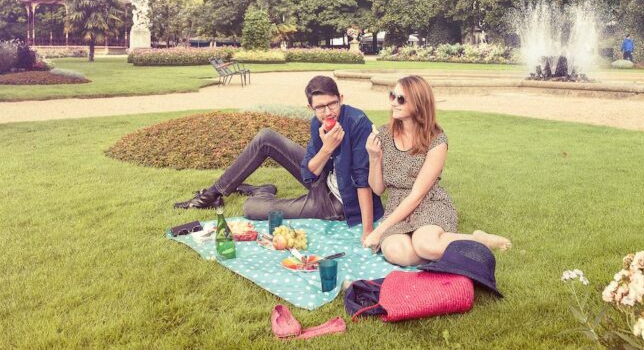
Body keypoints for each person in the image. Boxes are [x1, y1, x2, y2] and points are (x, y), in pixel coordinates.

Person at [178, 75, 384, 240]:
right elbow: (309, 172)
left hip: (337, 203)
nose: (328, 112)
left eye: (333, 104)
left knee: (250, 208)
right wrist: (327, 148)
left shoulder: (357, 122)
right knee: (266, 137)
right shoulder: (318, 122)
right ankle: (212, 194)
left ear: (342, 99)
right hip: (324, 179)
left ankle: (262, 192)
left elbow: (362, 180)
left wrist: (367, 231)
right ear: (310, 108)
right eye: (320, 107)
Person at [362, 75, 511, 266]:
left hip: (428, 202)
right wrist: (374, 157)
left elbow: (417, 195)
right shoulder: (383, 134)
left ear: (419, 103)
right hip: (396, 208)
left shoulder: (436, 140)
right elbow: (377, 189)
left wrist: (380, 230)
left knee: (426, 246)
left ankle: (479, 240)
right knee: (397, 253)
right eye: (392, 96)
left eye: (401, 99)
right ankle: (443, 247)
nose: (393, 103)